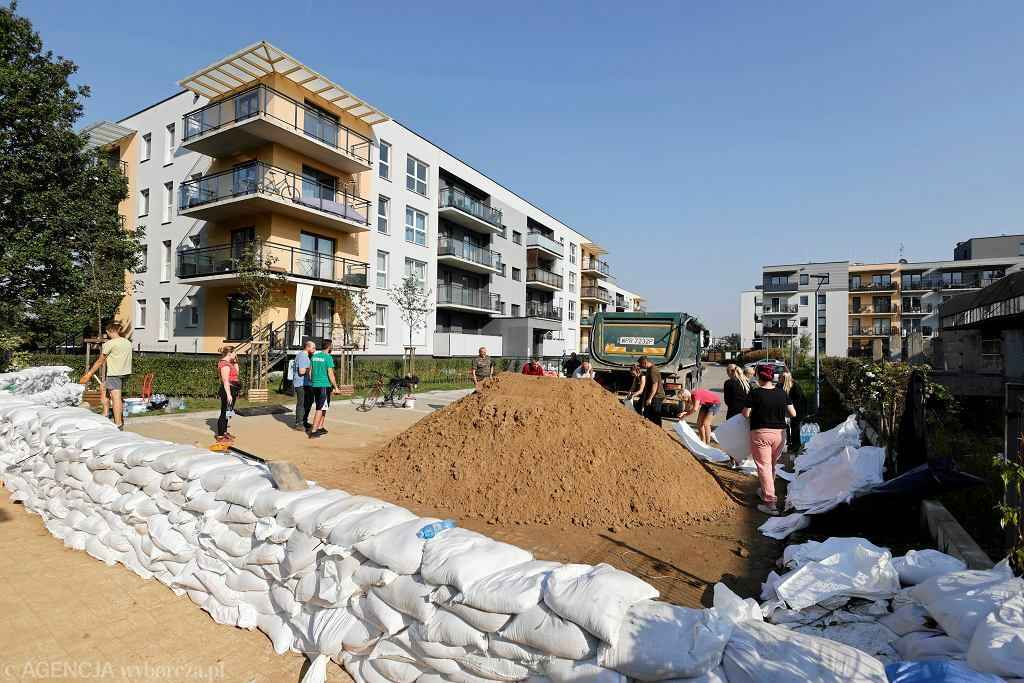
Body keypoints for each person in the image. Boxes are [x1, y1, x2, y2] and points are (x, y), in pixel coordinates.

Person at [742, 364, 796, 516]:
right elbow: (793, 413)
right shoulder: (781, 393)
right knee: (771, 465)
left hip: (761, 433)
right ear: (772, 377)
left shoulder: (755, 393)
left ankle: (770, 503)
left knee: (764, 466)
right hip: (779, 434)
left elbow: (746, 414)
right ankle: (765, 491)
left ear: (759, 377)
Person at [79, 321, 132, 430]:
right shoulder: (127, 342)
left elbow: (100, 361)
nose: (107, 334)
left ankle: (118, 424)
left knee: (116, 397)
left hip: (114, 374)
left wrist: (89, 374)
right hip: (124, 372)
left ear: (110, 331)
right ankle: (106, 413)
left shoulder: (110, 344)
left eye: (107, 332)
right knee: (103, 387)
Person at [308, 341, 338, 438]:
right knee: (320, 408)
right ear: (329, 347)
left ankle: (320, 427)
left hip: (315, 385)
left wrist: (312, 381)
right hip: (324, 386)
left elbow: (310, 371)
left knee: (324, 406)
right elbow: (330, 374)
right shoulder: (328, 357)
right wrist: (336, 387)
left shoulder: (314, 356)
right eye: (332, 346)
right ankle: (313, 431)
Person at [215, 346, 241, 443]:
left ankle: (224, 432)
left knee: (228, 412)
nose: (236, 354)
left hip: (232, 391)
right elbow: (226, 381)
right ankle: (220, 436)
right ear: (230, 353)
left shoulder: (230, 363)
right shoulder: (224, 364)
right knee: (224, 413)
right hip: (227, 391)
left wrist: (236, 361)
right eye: (235, 353)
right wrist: (229, 394)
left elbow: (236, 373)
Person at [781, 371, 806, 453]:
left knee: (795, 429)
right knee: (790, 428)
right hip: (790, 411)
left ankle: (796, 446)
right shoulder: (782, 386)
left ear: (785, 379)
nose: (779, 379)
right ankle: (791, 444)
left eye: (781, 377)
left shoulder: (795, 387)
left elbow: (800, 401)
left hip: (797, 411)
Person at [293, 340, 315, 431]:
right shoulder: (302, 356)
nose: (314, 349)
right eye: (313, 347)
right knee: (301, 403)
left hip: (306, 383)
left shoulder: (307, 356)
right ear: (308, 347)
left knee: (309, 401)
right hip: (300, 383)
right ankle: (299, 423)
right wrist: (311, 370)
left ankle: (304, 421)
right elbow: (301, 371)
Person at [637, 356, 664, 426]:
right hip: (654, 395)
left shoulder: (653, 370)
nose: (640, 366)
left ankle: (659, 432)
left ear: (645, 362)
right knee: (650, 415)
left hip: (657, 396)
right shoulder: (649, 369)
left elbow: (655, 385)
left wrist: (650, 398)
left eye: (641, 364)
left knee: (656, 416)